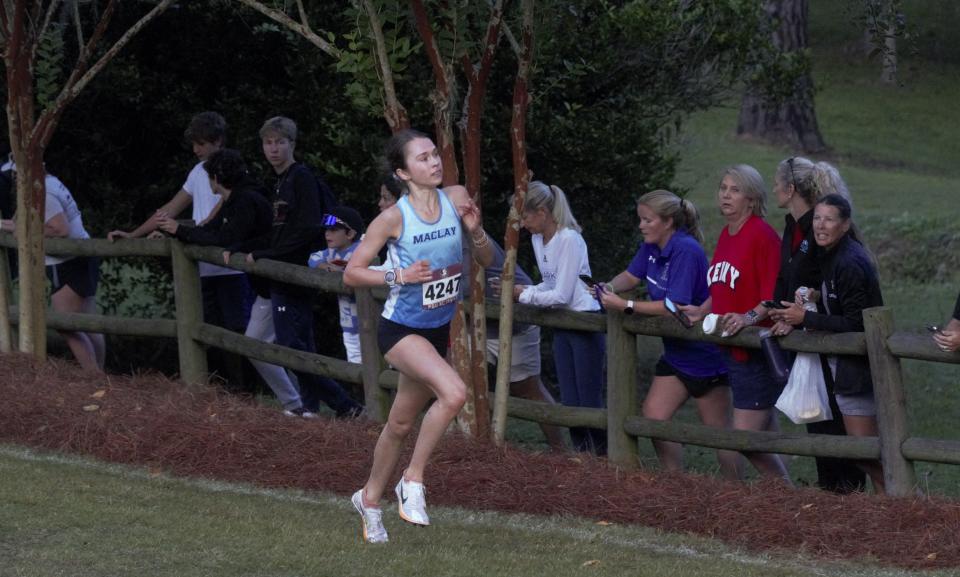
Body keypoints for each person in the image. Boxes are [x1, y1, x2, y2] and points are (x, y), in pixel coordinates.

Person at [343, 128, 492, 544]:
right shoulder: (393, 218)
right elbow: (352, 272)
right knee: (454, 392)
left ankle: (368, 500)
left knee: (400, 423)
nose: (434, 162)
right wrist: (399, 275)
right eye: (423, 158)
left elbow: (486, 259)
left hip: (436, 329)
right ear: (402, 172)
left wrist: (476, 231)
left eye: (434, 155)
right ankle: (412, 480)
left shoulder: (457, 197)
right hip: (400, 330)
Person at [157, 149, 312, 418]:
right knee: (257, 344)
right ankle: (297, 405)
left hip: (278, 286)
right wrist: (182, 232)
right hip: (266, 288)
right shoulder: (235, 199)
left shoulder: (246, 200)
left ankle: (305, 404)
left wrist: (179, 230)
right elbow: (217, 232)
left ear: (216, 178)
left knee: (285, 344)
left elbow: (226, 236)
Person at [597, 190, 739, 478]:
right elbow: (631, 276)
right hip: (676, 355)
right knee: (654, 417)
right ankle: (675, 482)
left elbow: (674, 306)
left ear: (668, 221)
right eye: (641, 219)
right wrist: (607, 287)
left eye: (647, 220)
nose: (641, 225)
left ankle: (735, 492)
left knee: (719, 434)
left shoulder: (686, 250)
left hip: (705, 356)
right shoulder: (651, 245)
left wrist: (625, 305)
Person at [237, 116, 361, 417]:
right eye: (268, 142)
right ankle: (309, 407)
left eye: (280, 142)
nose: (274, 149)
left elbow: (307, 228)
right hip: (283, 272)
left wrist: (269, 253)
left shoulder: (301, 178)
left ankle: (346, 406)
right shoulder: (281, 181)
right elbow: (282, 228)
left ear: (292, 144)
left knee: (292, 346)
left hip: (293, 272)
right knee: (300, 343)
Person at [679, 165, 790, 482]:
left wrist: (747, 317)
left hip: (757, 352)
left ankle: (788, 496)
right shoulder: (728, 233)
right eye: (723, 187)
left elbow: (773, 296)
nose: (725, 195)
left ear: (752, 199)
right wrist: (701, 310)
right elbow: (722, 286)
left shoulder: (762, 236)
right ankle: (782, 500)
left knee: (744, 440)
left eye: (735, 190)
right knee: (761, 436)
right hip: (732, 350)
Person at [769, 194, 886, 494]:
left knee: (864, 453)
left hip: (857, 369)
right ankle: (893, 505)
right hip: (842, 368)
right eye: (817, 218)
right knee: (860, 453)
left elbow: (856, 323)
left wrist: (804, 319)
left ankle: (907, 503)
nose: (820, 226)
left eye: (829, 219)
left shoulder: (849, 262)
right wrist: (813, 298)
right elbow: (838, 301)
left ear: (845, 225)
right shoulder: (831, 255)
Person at [107, 112, 252, 339]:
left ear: (218, 141)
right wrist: (133, 234)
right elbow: (172, 207)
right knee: (206, 336)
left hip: (231, 268)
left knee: (240, 333)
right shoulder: (197, 172)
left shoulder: (234, 171)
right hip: (202, 269)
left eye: (201, 143)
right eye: (194, 143)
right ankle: (210, 377)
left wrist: (196, 230)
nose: (196, 149)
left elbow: (224, 206)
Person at [511, 181, 606, 455]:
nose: (523, 224)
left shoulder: (569, 239)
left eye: (525, 217)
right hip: (562, 322)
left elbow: (562, 294)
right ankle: (581, 454)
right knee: (569, 397)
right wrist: (526, 289)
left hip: (583, 320)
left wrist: (523, 296)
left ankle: (601, 457)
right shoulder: (538, 239)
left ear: (542, 212)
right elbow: (548, 284)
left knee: (588, 398)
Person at [1, 163, 104, 372]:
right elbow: (28, 224)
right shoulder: (49, 184)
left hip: (69, 261)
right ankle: (100, 374)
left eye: (12, 175)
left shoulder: (43, 193)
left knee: (63, 322)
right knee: (87, 321)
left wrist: (27, 233)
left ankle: (93, 375)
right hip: (81, 257)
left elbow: (59, 228)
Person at [483, 238, 566, 451]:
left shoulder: (470, 238)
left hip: (515, 326)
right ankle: (481, 445)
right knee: (471, 383)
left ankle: (560, 450)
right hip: (477, 325)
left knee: (527, 388)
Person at [308, 205, 365, 364]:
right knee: (355, 365)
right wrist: (324, 266)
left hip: (368, 322)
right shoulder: (331, 252)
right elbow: (313, 257)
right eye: (326, 230)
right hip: (348, 324)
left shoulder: (362, 250)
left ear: (350, 234)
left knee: (376, 364)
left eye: (333, 230)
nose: (327, 234)